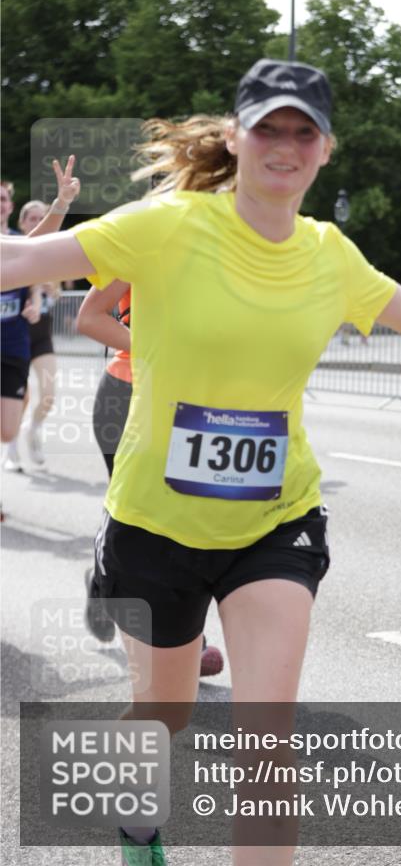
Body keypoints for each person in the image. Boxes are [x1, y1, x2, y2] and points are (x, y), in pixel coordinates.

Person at [2, 58, 401, 866]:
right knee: (164, 716)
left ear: (326, 149)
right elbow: (21, 262)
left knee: (266, 742)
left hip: (275, 521)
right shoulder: (166, 225)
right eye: (266, 126)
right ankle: (136, 828)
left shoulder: (326, 251)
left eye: (303, 131)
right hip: (154, 524)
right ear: (235, 137)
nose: (284, 144)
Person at [76, 279, 224, 676]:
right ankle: (183, 639)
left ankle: (105, 586)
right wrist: (160, 349)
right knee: (137, 515)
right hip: (126, 393)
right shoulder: (143, 245)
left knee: (183, 514)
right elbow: (89, 318)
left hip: (188, 399)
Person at [1, 162, 79, 507]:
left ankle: (26, 435)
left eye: (3, 198)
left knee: (7, 429)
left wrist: (61, 203)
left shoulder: (11, 246)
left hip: (15, 342)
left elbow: (35, 247)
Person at [3, 201, 61, 470]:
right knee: (20, 398)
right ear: (23, 221)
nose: (37, 222)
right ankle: (11, 450)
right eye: (33, 218)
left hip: (40, 335)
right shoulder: (16, 246)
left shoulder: (52, 253)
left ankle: (32, 429)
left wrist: (47, 291)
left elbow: (55, 293)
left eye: (41, 217)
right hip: (18, 333)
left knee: (48, 394)